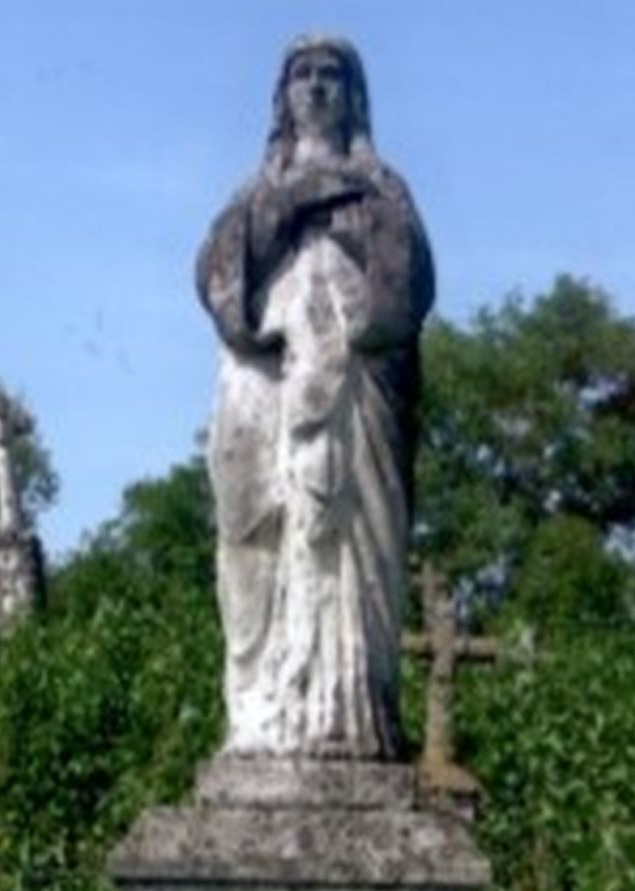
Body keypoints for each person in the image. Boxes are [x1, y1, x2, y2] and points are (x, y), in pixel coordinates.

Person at [197, 36, 434, 758]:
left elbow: (410, 288)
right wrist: (296, 202)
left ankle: (345, 716)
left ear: (354, 94)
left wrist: (344, 220)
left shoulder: (383, 188)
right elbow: (217, 276)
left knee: (350, 546)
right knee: (257, 535)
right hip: (271, 389)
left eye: (333, 75)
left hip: (354, 394)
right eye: (303, 75)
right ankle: (265, 712)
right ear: (283, 95)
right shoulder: (256, 191)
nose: (318, 87)